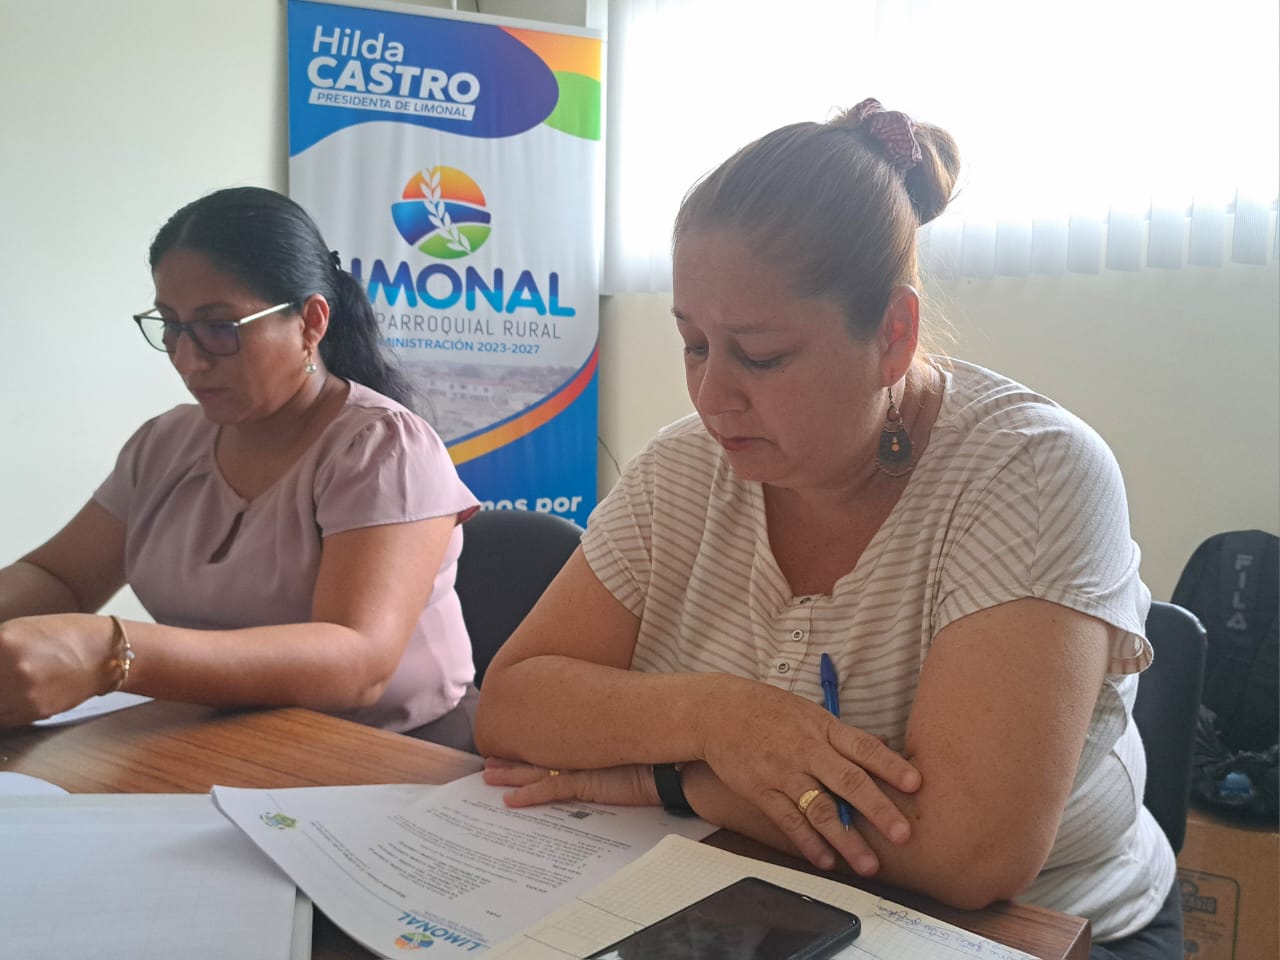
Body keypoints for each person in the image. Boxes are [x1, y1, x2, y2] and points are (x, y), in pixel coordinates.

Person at [474, 100, 1181, 957]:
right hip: (759, 893)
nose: (711, 396)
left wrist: (672, 779)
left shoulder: (1031, 472)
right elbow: (513, 705)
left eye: (761, 356)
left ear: (893, 334)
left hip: (1039, 928)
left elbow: (967, 853)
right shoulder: (682, 467)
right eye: (694, 345)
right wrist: (719, 717)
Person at [0, 187, 482, 750]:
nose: (188, 359)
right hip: (218, 736)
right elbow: (60, 577)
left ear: (310, 322)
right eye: (171, 325)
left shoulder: (381, 447)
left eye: (219, 327)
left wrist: (113, 653)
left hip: (393, 751)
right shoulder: (165, 443)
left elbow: (358, 662)